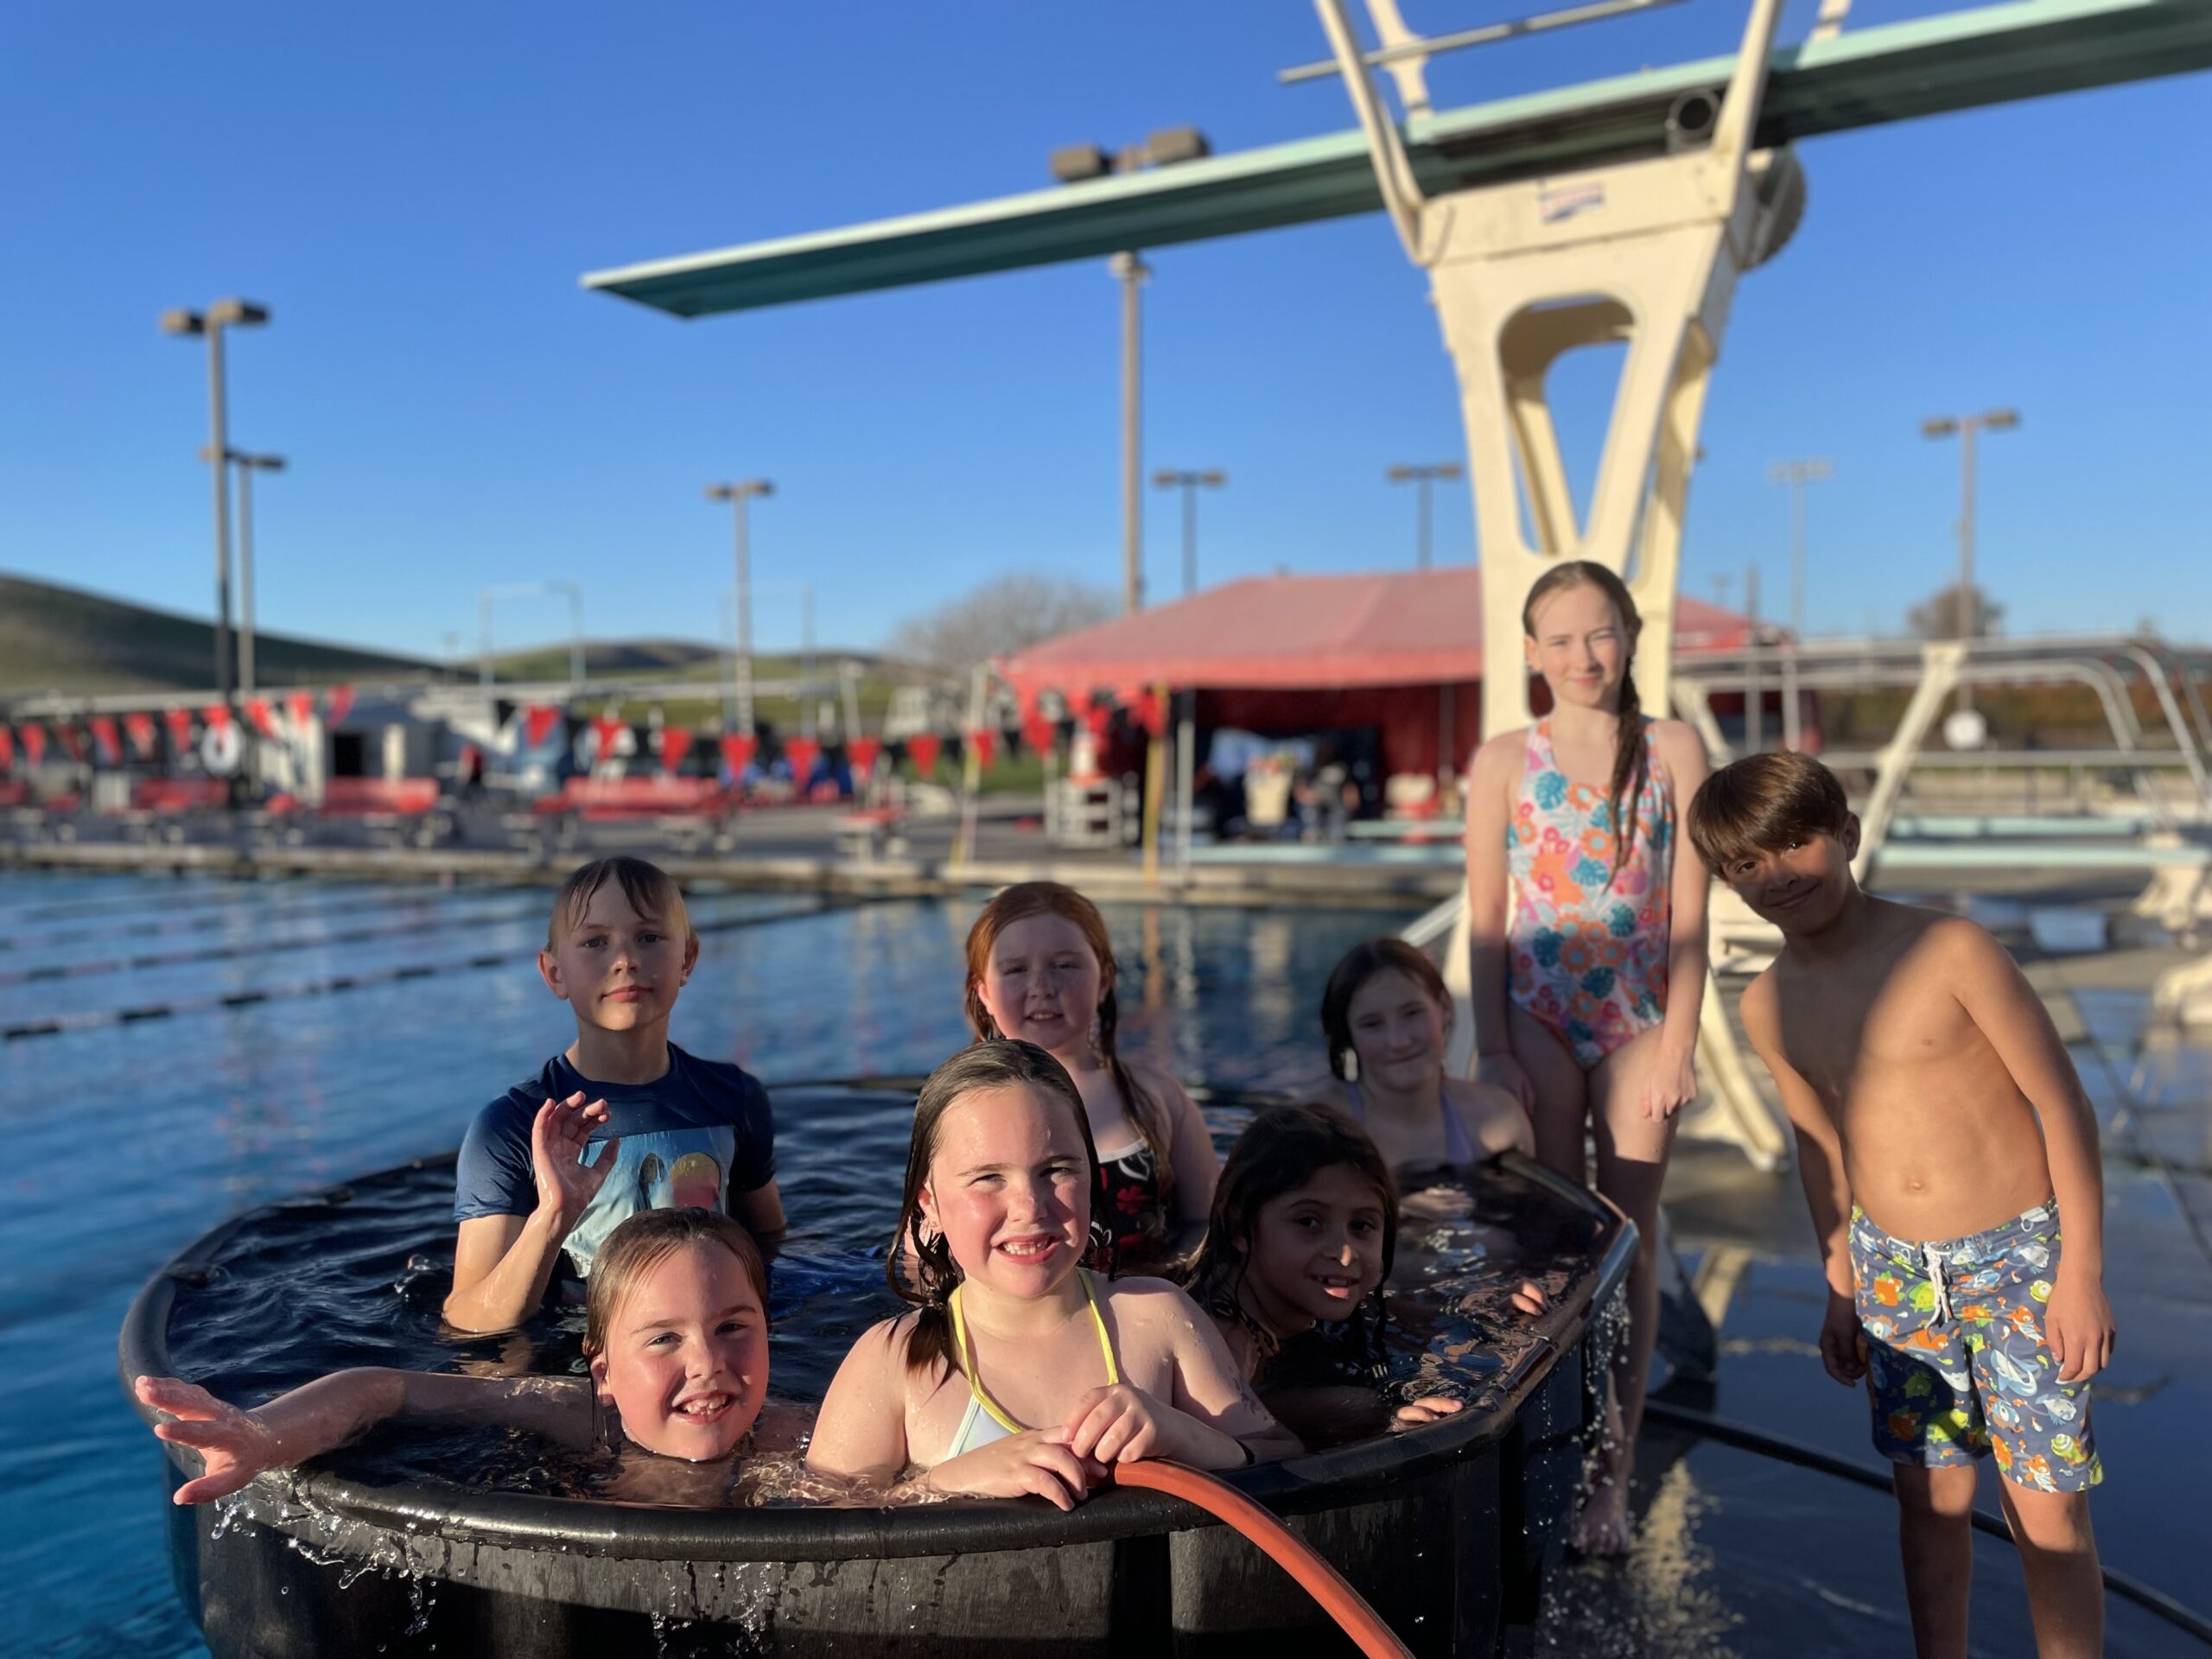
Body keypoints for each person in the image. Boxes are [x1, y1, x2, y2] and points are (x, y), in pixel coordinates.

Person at [1689, 753, 2113, 1659]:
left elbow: (2059, 1102)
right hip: (1893, 1276)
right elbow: (1820, 1147)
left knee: (2046, 1511)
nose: (1776, 875)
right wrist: (1839, 1284)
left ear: (1845, 834)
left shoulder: (1946, 948)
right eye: (1744, 864)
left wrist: (2079, 1272)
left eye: (1794, 843)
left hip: (2020, 1260)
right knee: (1928, 1505)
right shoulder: (1767, 1003)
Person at [1463, 559, 1712, 1554]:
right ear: (1530, 653)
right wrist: (1489, 1043)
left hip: (1638, 1015)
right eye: (1558, 639)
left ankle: (1612, 1480)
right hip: (1536, 1014)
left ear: (1631, 637)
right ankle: (1552, 1443)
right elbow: (1486, 921)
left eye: (1598, 634)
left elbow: (1691, 915)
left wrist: (1681, 1042)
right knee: (1557, 1240)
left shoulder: (1674, 750)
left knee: (1627, 1239)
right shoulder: (1500, 763)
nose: (1581, 656)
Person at [806, 1042, 1294, 1510]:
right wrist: (945, 1482)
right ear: (929, 1205)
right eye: (988, 1178)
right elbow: (815, 1521)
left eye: (1056, 1170)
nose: (1029, 1207)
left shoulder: (1157, 1318)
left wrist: (1185, 1436)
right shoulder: (894, 1363)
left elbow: (1283, 1455)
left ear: (1091, 1178)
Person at [137, 1208, 801, 1504]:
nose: (708, 1362)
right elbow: (384, 1389)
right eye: (664, 1337)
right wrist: (262, 1434)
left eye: (733, 1327)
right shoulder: (583, 1421)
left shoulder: (792, 1435)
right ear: (603, 1372)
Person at [445, 856, 785, 1332]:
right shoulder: (514, 1126)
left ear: (686, 958)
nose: (625, 960)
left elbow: (767, 1240)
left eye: (648, 937)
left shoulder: (733, 1097)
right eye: (595, 942)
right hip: (575, 1365)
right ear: (555, 973)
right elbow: (466, 1316)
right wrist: (553, 1216)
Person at [1184, 1103, 1547, 1441]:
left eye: (1361, 1226)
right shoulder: (1221, 1334)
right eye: (1309, 1221)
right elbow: (1251, 1417)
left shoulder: (1301, 1296)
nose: (1344, 1255)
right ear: (1240, 1229)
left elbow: (1400, 1317)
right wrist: (1380, 1416)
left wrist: (1484, 1313)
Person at [963, 882, 1217, 1273]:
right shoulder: (960, 1111)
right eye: (1015, 970)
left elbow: (1205, 1222)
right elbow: (922, 1249)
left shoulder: (1156, 1095)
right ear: (985, 995)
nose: (1042, 988)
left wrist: (1165, 1286)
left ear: (1104, 980)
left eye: (1064, 965)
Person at [1313, 938, 1533, 1173]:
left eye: (1412, 1013)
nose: (1398, 1041)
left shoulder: (1499, 1118)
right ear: (1347, 1035)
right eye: (1372, 1024)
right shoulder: (1318, 1130)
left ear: (1445, 1008)